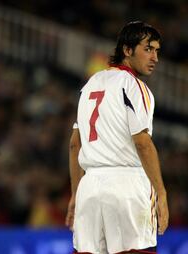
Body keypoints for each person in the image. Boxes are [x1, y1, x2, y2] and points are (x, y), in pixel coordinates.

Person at [65, 21, 169, 253]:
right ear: (127, 50)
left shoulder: (89, 85)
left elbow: (75, 144)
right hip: (127, 187)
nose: (155, 58)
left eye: (156, 51)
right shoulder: (133, 86)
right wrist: (161, 193)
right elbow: (142, 143)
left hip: (89, 188)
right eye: (148, 49)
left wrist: (75, 194)